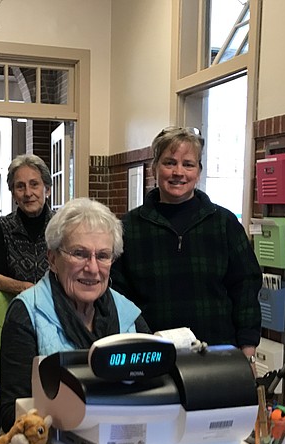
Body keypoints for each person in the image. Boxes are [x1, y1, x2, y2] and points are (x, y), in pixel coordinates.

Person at [0, 197, 151, 433]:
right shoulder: (26, 313)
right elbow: (10, 413)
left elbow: (156, 389)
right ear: (52, 259)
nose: (92, 268)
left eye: (102, 256)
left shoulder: (127, 313)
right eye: (79, 254)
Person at [111, 126, 262, 363]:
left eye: (188, 164)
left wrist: (247, 351)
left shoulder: (224, 224)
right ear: (154, 168)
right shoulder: (129, 227)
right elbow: (117, 297)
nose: (178, 172)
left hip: (217, 355)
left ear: (198, 172)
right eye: (169, 163)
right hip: (150, 357)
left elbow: (246, 288)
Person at [0, 154, 54, 295]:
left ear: (47, 189)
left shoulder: (64, 225)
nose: (28, 193)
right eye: (20, 187)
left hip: (57, 309)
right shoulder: (0, 227)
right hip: (17, 307)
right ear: (13, 194)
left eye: (34, 184)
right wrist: (28, 289)